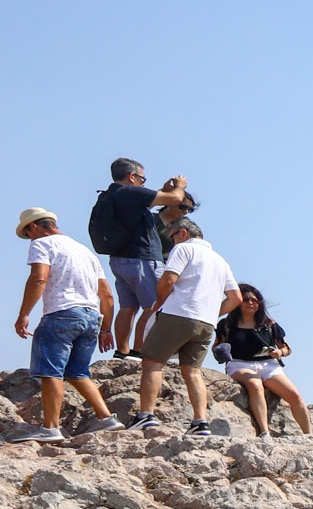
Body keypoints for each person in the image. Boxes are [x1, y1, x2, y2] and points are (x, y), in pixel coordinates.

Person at [11, 209, 119, 441]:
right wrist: (106, 328)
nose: (30, 239)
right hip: (91, 316)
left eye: (28, 234)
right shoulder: (85, 251)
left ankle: (50, 428)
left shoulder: (42, 244)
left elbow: (39, 277)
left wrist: (24, 314)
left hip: (62, 312)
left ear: (34, 227)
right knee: (77, 372)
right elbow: (107, 295)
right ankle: (106, 417)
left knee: (51, 372)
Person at [125, 219, 240, 434]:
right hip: (206, 322)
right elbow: (235, 298)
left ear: (183, 233)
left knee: (152, 361)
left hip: (178, 313)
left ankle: (146, 415)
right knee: (193, 371)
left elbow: (169, 279)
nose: (173, 240)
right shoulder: (220, 261)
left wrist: (159, 302)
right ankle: (200, 422)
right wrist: (211, 311)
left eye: (173, 236)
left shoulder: (183, 249)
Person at [86, 160, 194, 357]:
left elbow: (158, 199)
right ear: (132, 177)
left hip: (120, 259)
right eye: (142, 179)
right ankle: (139, 351)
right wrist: (180, 186)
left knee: (128, 307)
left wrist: (163, 190)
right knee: (153, 306)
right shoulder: (130, 192)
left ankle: (122, 351)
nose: (144, 184)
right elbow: (175, 198)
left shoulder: (110, 195)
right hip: (142, 258)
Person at [214, 284, 309, 436]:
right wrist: (221, 350)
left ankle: (308, 434)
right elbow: (216, 346)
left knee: (295, 395)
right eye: (245, 300)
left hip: (268, 364)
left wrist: (279, 352)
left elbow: (287, 348)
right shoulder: (226, 324)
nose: (251, 303)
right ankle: (265, 432)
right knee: (255, 384)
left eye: (254, 300)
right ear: (238, 302)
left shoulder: (269, 324)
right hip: (239, 364)